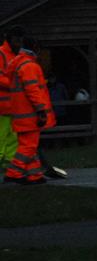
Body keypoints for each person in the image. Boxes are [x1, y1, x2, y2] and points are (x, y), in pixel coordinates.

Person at [4, 37, 56, 185]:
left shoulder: (18, 64)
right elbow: (33, 90)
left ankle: (35, 175)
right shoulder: (30, 66)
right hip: (30, 114)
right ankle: (13, 173)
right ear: (35, 48)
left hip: (20, 114)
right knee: (29, 146)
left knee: (28, 146)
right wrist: (41, 110)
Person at [0, 26, 25, 168]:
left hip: (14, 106)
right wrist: (16, 85)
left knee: (13, 137)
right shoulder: (2, 54)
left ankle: (10, 166)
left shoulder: (17, 55)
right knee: (2, 136)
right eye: (16, 40)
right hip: (3, 106)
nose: (18, 43)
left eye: (20, 40)